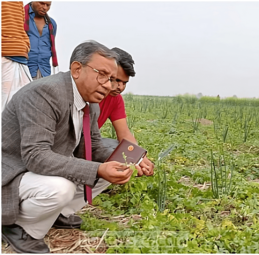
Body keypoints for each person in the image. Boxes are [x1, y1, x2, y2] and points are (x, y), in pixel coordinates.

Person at [1, 41, 155, 254]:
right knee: (61, 188)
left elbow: (93, 146)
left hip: (37, 169)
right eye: (102, 75)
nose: (109, 85)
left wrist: (133, 159)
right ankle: (18, 227)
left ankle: (57, 214)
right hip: (12, 171)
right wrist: (98, 169)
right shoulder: (45, 93)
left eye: (112, 79)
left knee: (112, 165)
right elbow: (36, 156)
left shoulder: (89, 103)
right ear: (76, 69)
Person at [1, 1, 33, 111]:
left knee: (28, 104)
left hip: (21, 55)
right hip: (6, 54)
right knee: (6, 108)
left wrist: (25, 45)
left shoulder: (19, 2)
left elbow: (20, 25)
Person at [23, 1, 58, 80]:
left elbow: (50, 46)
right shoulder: (21, 18)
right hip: (24, 68)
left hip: (44, 71)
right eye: (42, 3)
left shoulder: (51, 24)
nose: (45, 8)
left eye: (48, 5)